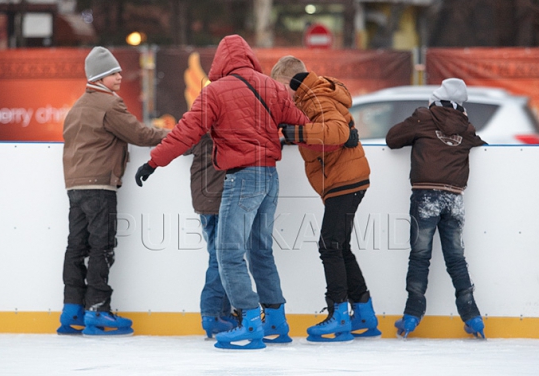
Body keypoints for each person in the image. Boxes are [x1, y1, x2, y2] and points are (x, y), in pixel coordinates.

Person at [134, 34, 309, 350]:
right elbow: (301, 126)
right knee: (260, 251)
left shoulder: (213, 92)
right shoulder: (272, 87)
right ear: (250, 57)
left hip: (242, 178)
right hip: (270, 177)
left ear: (220, 62)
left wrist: (152, 162)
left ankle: (252, 322)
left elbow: (185, 133)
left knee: (228, 253)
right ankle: (277, 321)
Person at [57, 46, 169, 337]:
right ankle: (98, 310)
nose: (120, 76)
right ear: (100, 77)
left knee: (76, 246)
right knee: (101, 246)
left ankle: (72, 310)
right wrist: (176, 135)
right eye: (113, 73)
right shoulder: (109, 105)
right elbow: (140, 135)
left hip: (75, 186)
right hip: (99, 186)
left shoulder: (78, 107)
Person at [271, 55, 381, 342]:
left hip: (345, 180)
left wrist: (294, 132)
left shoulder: (316, 97)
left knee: (329, 246)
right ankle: (364, 313)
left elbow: (337, 131)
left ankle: (339, 315)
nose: (279, 95)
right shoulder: (310, 97)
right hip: (344, 179)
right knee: (340, 247)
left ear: (291, 82)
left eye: (280, 88)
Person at [386, 78, 487, 339]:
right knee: (456, 259)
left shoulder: (423, 118)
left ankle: (411, 316)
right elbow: (481, 146)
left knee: (420, 257)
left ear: (435, 100)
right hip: (454, 199)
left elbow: (392, 138)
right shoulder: (467, 127)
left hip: (425, 197)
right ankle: (473, 318)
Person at [185, 132, 238, 338]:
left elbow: (180, 142)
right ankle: (212, 314)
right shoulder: (230, 126)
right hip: (220, 201)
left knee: (218, 257)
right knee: (220, 258)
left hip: (204, 202)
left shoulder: (198, 127)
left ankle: (222, 313)